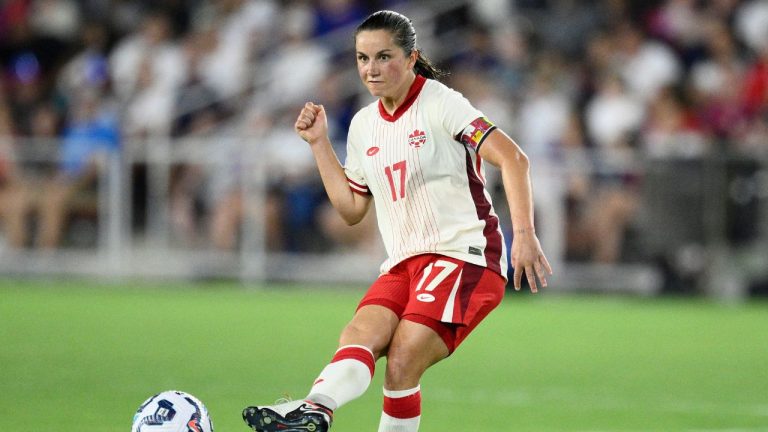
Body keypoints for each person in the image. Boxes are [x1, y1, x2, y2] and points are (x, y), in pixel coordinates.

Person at [242, 10, 551, 432]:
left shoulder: (441, 102)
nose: (371, 69)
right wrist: (319, 144)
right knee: (358, 335)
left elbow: (514, 158)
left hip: (463, 257)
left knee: (403, 360)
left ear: (411, 58)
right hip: (404, 264)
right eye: (362, 58)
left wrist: (526, 235)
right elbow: (352, 210)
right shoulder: (364, 124)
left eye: (383, 56)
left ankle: (313, 410)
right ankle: (315, 409)